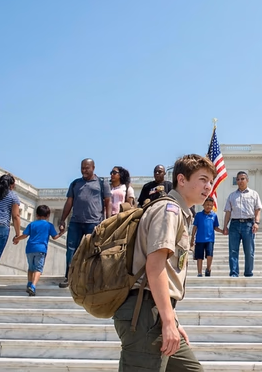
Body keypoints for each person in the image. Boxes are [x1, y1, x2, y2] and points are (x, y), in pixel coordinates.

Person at [112, 154, 215, 372]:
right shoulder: (169, 211)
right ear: (182, 179)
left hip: (157, 310)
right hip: (144, 314)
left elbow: (167, 272)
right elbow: (155, 266)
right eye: (203, 179)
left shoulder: (181, 213)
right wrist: (168, 322)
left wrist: (173, 320)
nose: (209, 186)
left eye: (211, 181)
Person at [58, 158, 112, 288]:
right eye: (82, 168)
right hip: (76, 222)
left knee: (93, 250)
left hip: (94, 222)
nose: (84, 171)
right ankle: (69, 276)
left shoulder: (101, 183)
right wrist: (62, 219)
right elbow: (69, 202)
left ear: (93, 167)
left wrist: (107, 221)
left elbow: (108, 202)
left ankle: (91, 278)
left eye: (87, 168)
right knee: (71, 250)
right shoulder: (76, 183)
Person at [12, 205, 64, 296]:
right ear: (48, 215)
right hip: (41, 249)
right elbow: (55, 237)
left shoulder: (32, 224)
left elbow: (24, 235)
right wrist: (61, 233)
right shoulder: (49, 225)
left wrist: (16, 238)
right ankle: (33, 286)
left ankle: (29, 283)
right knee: (38, 269)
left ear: (36, 214)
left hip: (30, 249)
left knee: (31, 268)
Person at [223, 171, 262, 278]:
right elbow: (228, 212)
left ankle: (248, 273)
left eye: (242, 179)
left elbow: (257, 210)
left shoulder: (254, 194)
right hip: (234, 225)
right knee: (233, 251)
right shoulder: (232, 196)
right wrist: (225, 226)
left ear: (247, 180)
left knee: (249, 251)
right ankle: (234, 273)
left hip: (248, 224)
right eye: (238, 179)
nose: (240, 181)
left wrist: (257, 223)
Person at [191, 197, 224, 277]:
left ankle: (208, 269)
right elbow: (195, 227)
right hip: (199, 239)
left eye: (210, 205)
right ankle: (199, 272)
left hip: (210, 239)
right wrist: (192, 237)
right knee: (199, 257)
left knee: (209, 255)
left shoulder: (214, 216)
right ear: (203, 205)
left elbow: (215, 227)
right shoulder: (198, 215)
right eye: (207, 205)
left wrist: (222, 231)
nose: (208, 206)